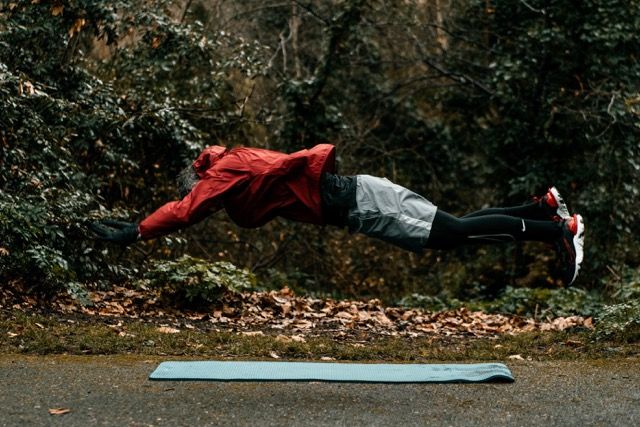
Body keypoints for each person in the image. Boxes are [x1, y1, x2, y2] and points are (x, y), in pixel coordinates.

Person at [90, 143, 585, 285]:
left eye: (206, 194)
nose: (211, 203)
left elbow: (186, 211)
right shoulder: (234, 166)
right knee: (453, 225)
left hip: (362, 204)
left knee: (450, 234)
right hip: (361, 200)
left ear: (203, 180)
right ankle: (542, 207)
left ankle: (557, 230)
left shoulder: (225, 173)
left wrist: (136, 232)